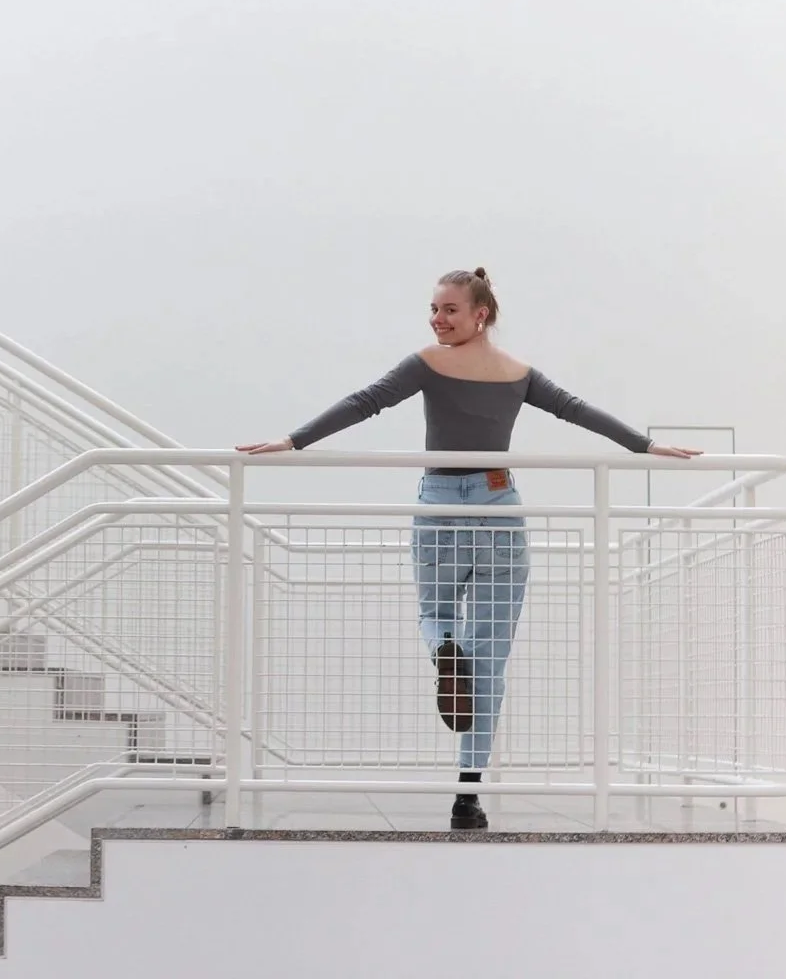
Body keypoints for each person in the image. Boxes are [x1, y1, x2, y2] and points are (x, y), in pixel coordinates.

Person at [236, 268, 698, 830]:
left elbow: (366, 403)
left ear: (481, 314)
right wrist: (645, 445)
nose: (437, 319)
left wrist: (293, 440)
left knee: (436, 614)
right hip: (499, 504)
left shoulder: (426, 363)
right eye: (433, 309)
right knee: (492, 660)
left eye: (449, 309)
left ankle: (445, 647)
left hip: (440, 502)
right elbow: (577, 410)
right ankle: (468, 793)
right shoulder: (519, 374)